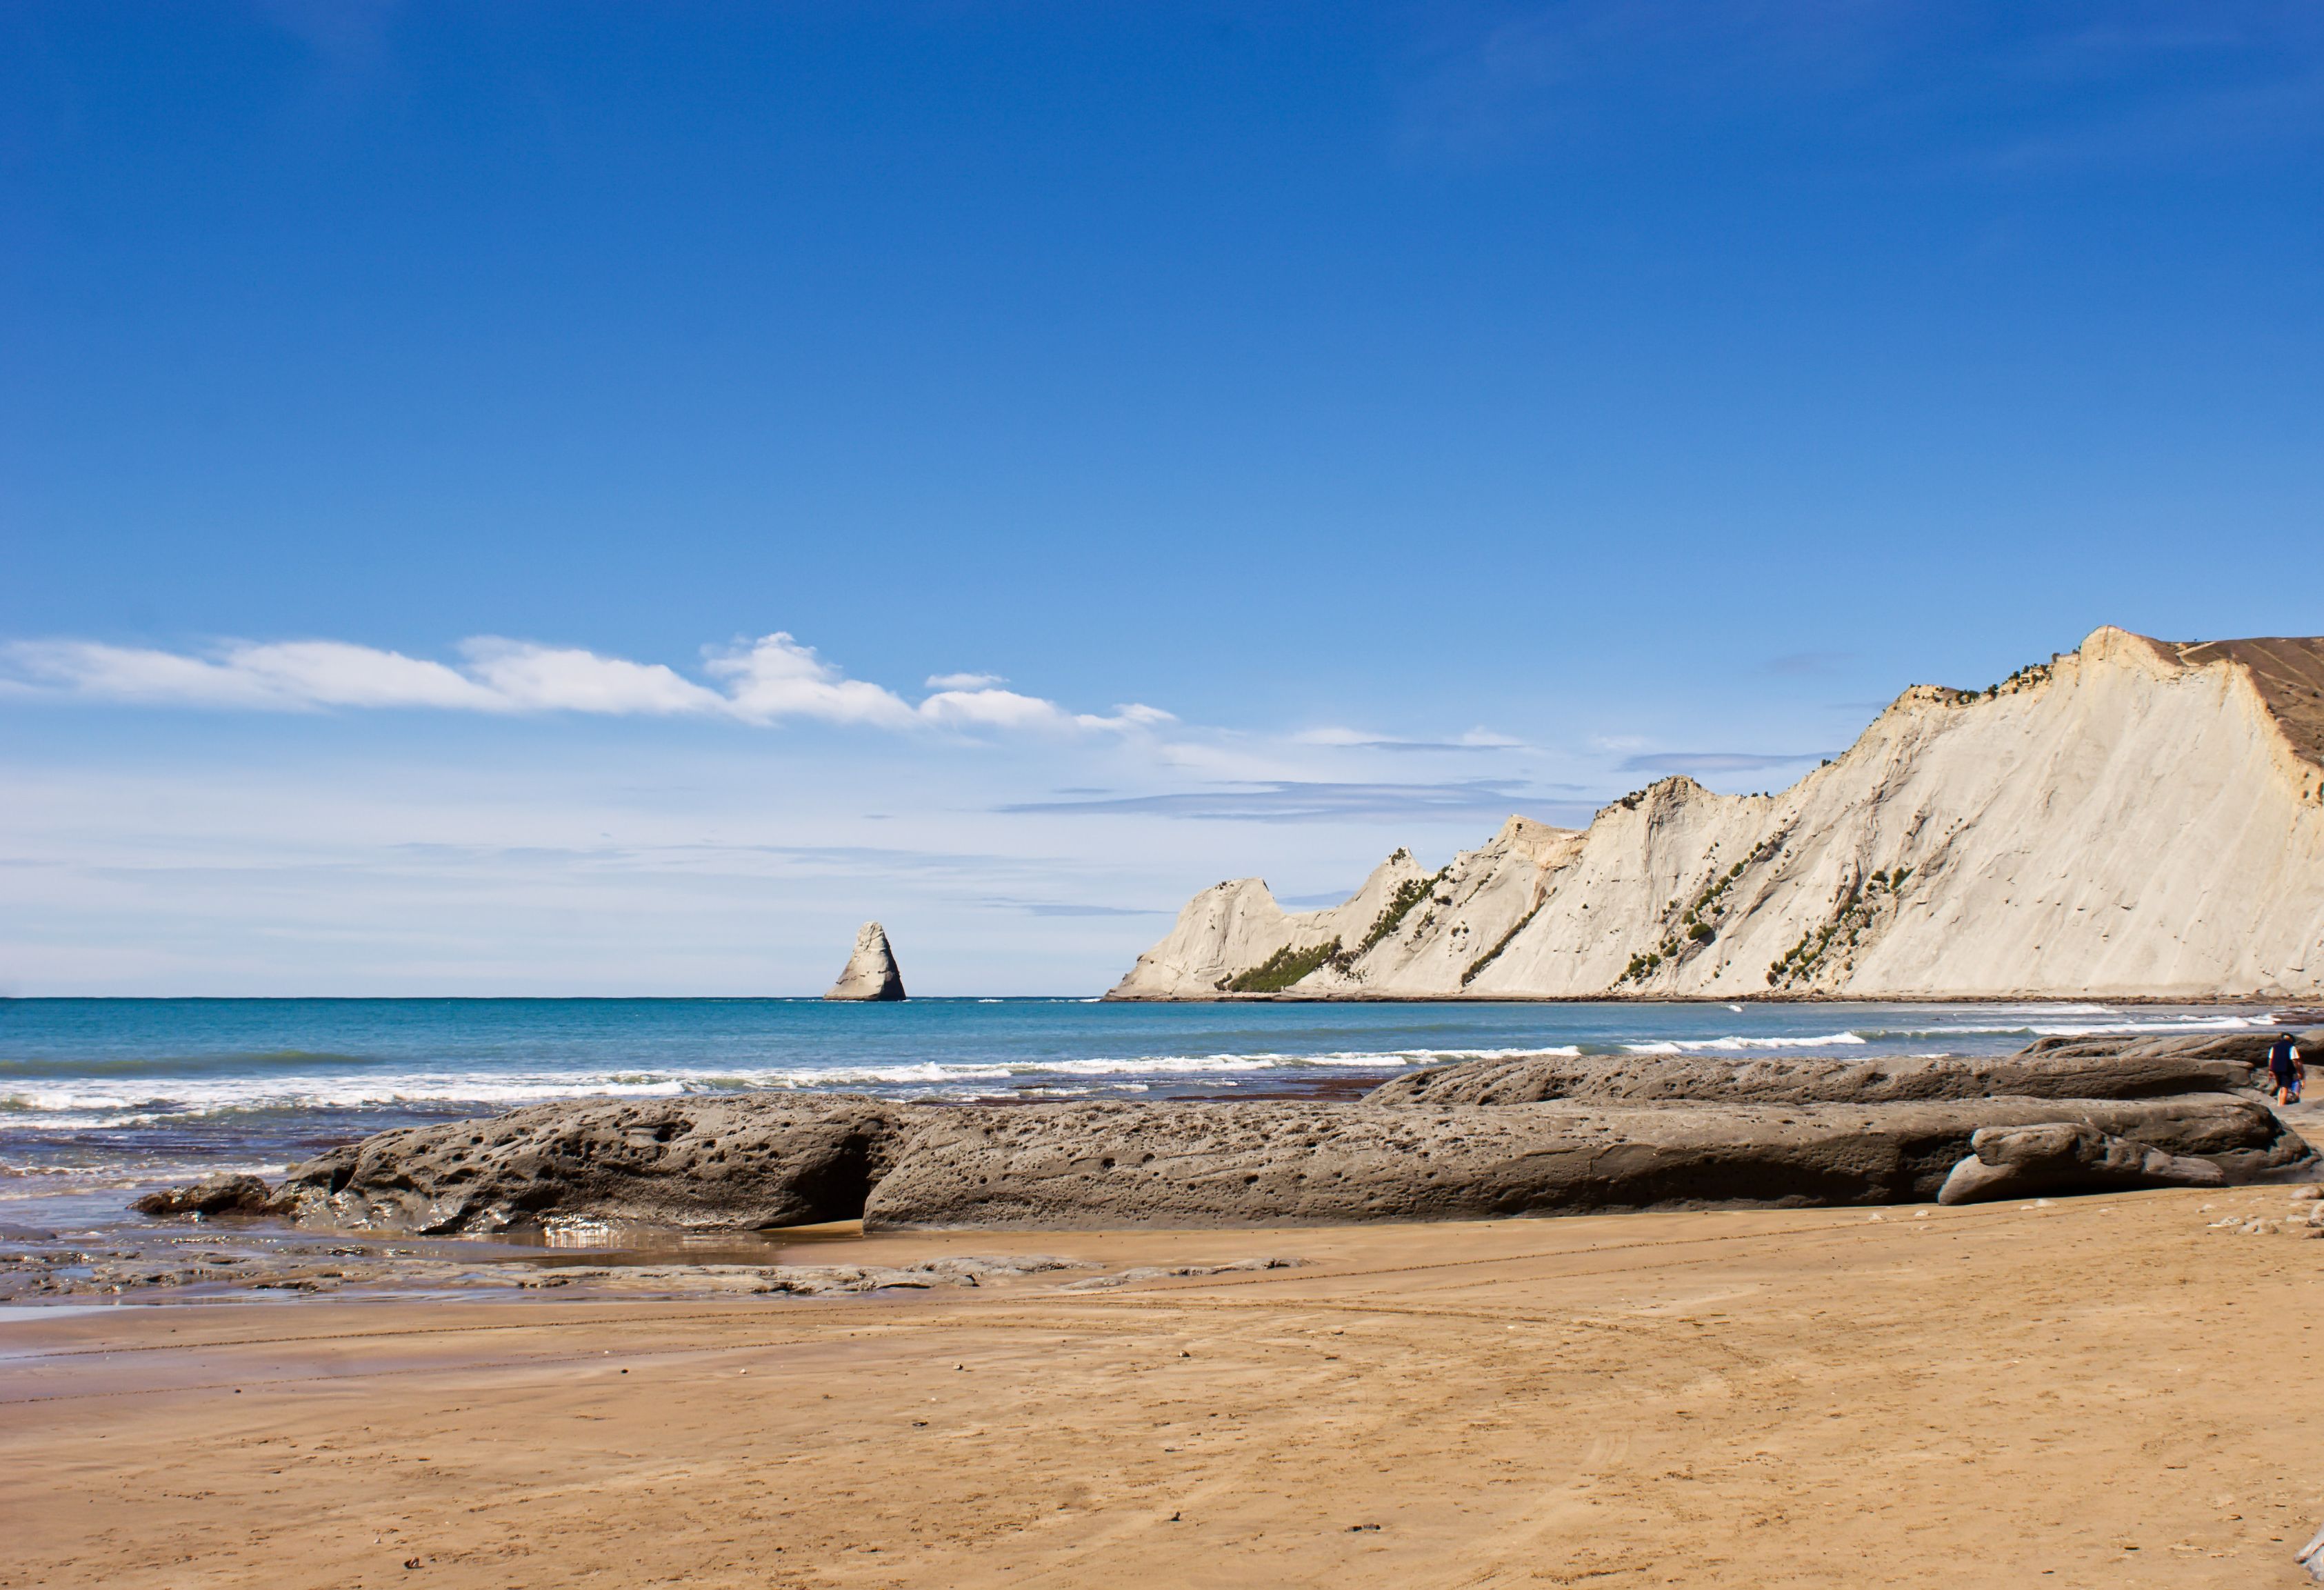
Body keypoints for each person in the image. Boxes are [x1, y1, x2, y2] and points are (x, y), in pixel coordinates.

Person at [2267, 1031, 2305, 1106]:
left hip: (2276, 1069)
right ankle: (2282, 1106)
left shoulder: (2274, 1047)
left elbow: (2270, 1059)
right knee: (2285, 1088)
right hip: (2286, 1069)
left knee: (2280, 1087)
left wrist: (2270, 1070)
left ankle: (2279, 1104)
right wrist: (2299, 1072)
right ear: (2291, 1039)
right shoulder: (2292, 1047)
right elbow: (2295, 1061)